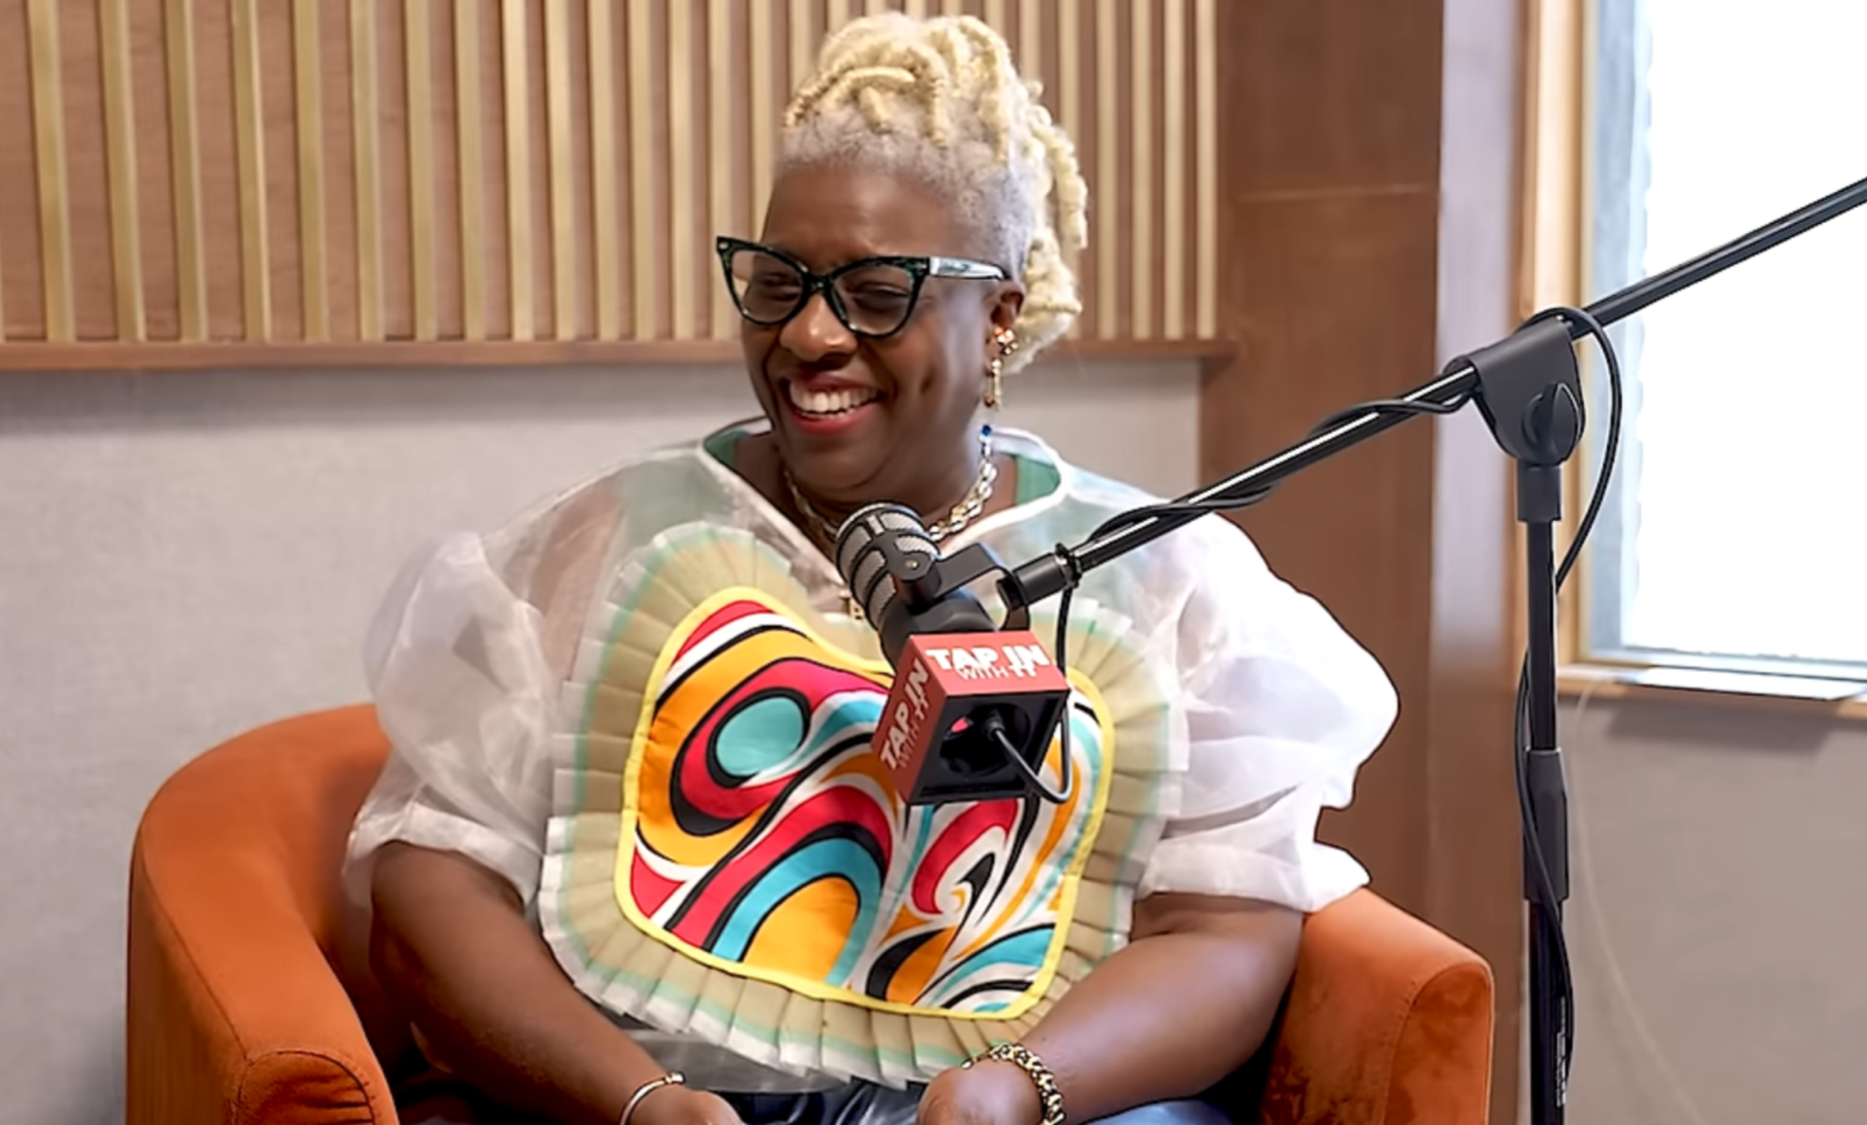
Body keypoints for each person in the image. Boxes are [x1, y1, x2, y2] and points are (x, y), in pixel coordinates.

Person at [346, 13, 1396, 1125]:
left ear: (997, 314)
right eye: (777, 281)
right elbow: (434, 877)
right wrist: (643, 1102)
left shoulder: (1160, 577)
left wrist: (1014, 1091)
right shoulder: (608, 539)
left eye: (877, 291)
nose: (809, 336)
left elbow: (1221, 928)